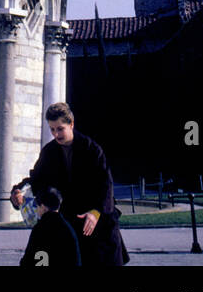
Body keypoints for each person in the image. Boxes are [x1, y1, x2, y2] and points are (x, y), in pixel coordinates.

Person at [11, 103, 129, 266]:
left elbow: (105, 186)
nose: (56, 134)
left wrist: (95, 213)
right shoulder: (49, 151)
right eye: (52, 129)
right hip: (69, 225)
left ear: (71, 124)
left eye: (60, 128)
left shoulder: (91, 149)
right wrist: (18, 192)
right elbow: (36, 178)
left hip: (97, 225)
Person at [18, 185, 81, 269]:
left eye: (37, 206)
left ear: (43, 207)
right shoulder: (68, 227)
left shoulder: (40, 228)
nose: (36, 210)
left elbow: (31, 260)